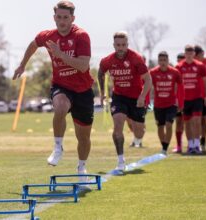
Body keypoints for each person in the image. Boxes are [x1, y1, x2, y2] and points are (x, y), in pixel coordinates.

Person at [13, 1, 94, 175]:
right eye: (59, 17)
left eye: (66, 18)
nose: (62, 21)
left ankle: (81, 167)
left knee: (84, 137)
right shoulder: (48, 36)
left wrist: (60, 55)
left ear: (73, 18)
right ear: (54, 17)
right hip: (61, 85)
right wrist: (22, 65)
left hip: (83, 90)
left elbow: (82, 66)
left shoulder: (81, 36)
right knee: (60, 107)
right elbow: (34, 44)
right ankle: (58, 147)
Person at [98, 31, 151, 171]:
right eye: (118, 45)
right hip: (119, 97)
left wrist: (142, 97)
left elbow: (148, 80)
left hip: (136, 98)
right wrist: (102, 93)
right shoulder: (108, 60)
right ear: (113, 45)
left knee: (138, 132)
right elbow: (100, 72)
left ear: (127, 45)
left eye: (123, 45)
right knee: (117, 126)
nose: (120, 48)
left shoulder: (136, 59)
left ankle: (137, 137)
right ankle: (121, 160)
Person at [175, 45, 206, 154]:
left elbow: (205, 82)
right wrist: (176, 98)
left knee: (197, 121)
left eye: (191, 53)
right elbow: (176, 84)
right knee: (187, 122)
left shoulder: (200, 66)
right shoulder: (179, 67)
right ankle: (190, 145)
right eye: (187, 53)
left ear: (194, 54)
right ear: (185, 54)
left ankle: (196, 145)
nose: (189, 55)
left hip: (197, 98)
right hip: (185, 99)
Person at [150, 51, 183, 155]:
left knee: (169, 124)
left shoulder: (175, 72)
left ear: (168, 61)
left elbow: (181, 87)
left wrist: (180, 102)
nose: (163, 62)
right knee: (160, 127)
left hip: (171, 104)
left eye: (165, 60)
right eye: (161, 60)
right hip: (158, 104)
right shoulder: (153, 72)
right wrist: (147, 101)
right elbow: (147, 87)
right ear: (158, 61)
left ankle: (165, 147)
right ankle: (163, 146)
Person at [194, 45, 206, 153]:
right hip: (198, 97)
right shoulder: (193, 65)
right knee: (200, 120)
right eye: (201, 54)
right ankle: (201, 142)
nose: (203, 56)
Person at [172, 53, 186, 153]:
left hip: (189, 100)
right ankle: (179, 145)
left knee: (188, 124)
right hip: (178, 101)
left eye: (182, 60)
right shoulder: (175, 72)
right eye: (178, 60)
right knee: (179, 123)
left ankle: (193, 144)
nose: (180, 62)